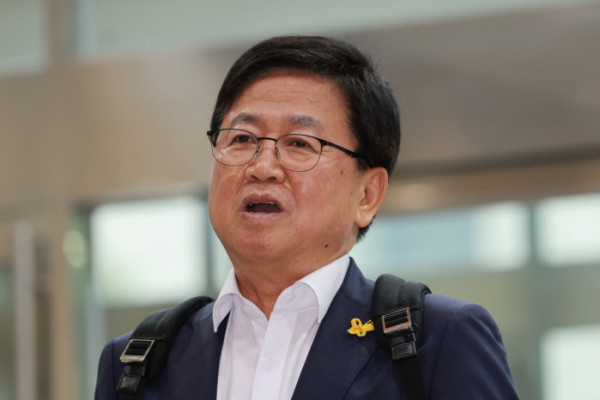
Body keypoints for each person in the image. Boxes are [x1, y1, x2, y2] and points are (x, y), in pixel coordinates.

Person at [95, 35, 519, 399]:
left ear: (367, 195)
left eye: (300, 143)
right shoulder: (135, 364)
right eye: (241, 138)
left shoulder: (438, 340)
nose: (262, 166)